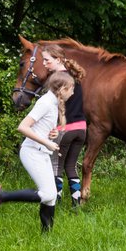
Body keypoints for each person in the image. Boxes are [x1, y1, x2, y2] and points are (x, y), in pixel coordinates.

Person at [0, 70, 73, 232]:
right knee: (47, 194)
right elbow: (23, 127)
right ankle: (0, 196)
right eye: (71, 88)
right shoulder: (46, 102)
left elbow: (39, 127)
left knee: (51, 196)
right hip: (32, 152)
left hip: (41, 152)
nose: (73, 92)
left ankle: (46, 236)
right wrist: (47, 142)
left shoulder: (53, 103)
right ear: (62, 89)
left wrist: (51, 134)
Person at [40, 45, 88, 207]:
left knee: (56, 166)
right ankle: (76, 204)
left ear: (58, 59)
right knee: (71, 165)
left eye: (47, 60)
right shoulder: (74, 76)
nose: (44, 64)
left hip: (65, 129)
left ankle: (56, 203)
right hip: (81, 128)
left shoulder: (58, 80)